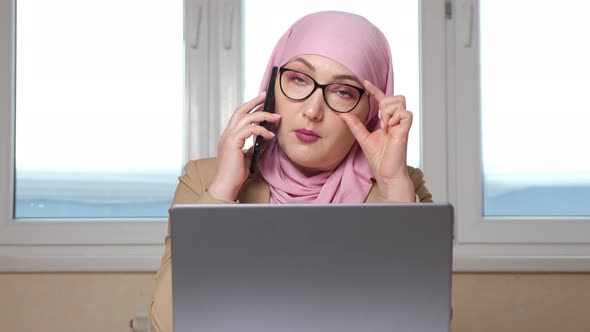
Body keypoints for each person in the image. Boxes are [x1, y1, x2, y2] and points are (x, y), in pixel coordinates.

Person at [149, 10, 433, 332]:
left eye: (343, 92)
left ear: (370, 111)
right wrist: (224, 189)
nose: (312, 111)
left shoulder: (403, 188)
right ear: (273, 86)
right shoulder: (205, 178)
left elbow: (421, 320)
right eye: (298, 79)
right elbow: (169, 323)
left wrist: (393, 185)